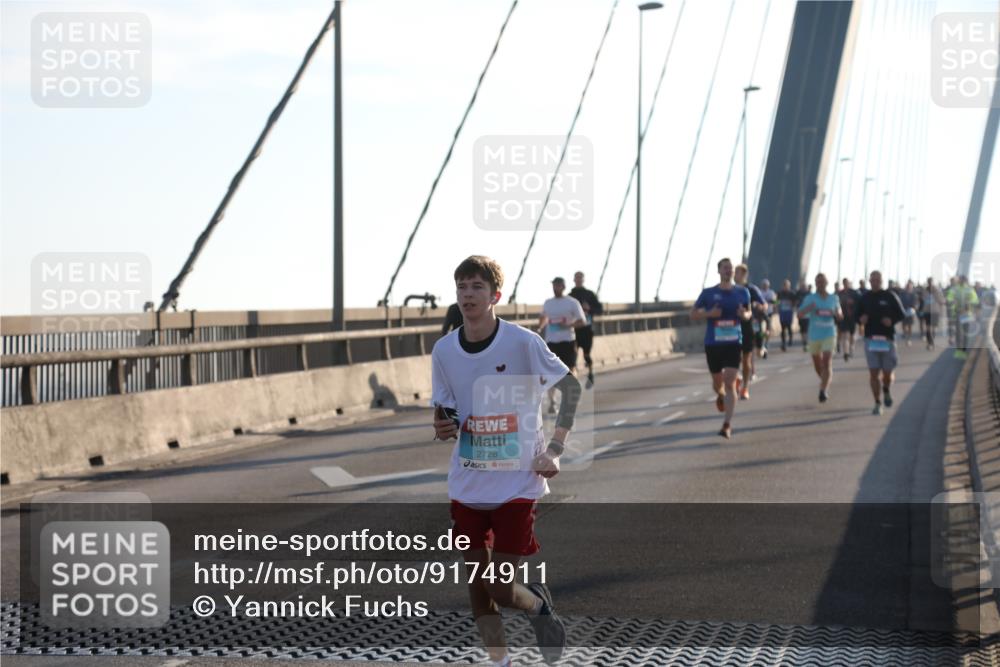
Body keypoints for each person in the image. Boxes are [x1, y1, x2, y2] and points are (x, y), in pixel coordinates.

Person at [432, 256, 580, 667]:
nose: (467, 294)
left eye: (477, 286)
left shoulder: (522, 343)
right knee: (479, 584)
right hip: (468, 482)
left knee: (499, 586)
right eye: (461, 286)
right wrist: (442, 425)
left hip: (517, 482)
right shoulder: (444, 350)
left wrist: (554, 449)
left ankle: (537, 608)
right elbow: (445, 409)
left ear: (495, 295)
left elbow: (571, 388)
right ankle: (500, 662)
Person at [692, 258, 752, 439]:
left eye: (731, 269)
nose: (728, 271)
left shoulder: (743, 293)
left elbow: (749, 314)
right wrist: (710, 314)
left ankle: (727, 424)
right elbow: (693, 314)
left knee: (730, 381)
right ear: (718, 271)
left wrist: (744, 315)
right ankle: (720, 395)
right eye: (725, 268)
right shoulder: (708, 293)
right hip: (713, 344)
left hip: (734, 342)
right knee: (718, 383)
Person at [857, 270, 905, 415]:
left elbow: (901, 314)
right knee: (873, 373)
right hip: (871, 339)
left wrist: (892, 321)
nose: (875, 282)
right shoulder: (864, 298)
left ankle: (887, 389)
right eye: (872, 280)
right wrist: (861, 319)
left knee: (887, 373)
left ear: (881, 281)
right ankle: (877, 402)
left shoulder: (890, 296)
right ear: (869, 281)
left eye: (877, 280)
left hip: (887, 339)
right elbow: (856, 316)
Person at [538, 277, 587, 413]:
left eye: (558, 285)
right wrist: (540, 327)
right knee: (550, 373)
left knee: (570, 370)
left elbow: (582, 321)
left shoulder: (572, 302)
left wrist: (568, 325)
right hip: (551, 342)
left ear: (563, 287)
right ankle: (552, 402)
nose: (555, 288)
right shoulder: (548, 303)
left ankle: (570, 396)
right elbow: (543, 317)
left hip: (568, 341)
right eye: (554, 285)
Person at [798, 273, 843, 402]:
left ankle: (823, 390)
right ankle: (824, 380)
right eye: (818, 282)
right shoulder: (810, 298)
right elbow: (799, 314)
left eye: (822, 282)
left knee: (827, 361)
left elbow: (840, 314)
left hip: (829, 333)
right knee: (818, 365)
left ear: (826, 283)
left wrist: (837, 313)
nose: (820, 284)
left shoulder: (834, 298)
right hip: (814, 335)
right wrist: (809, 308)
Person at [734, 264, 765, 399]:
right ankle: (737, 378)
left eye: (738, 273)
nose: (735, 275)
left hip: (747, 326)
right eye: (735, 273)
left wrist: (758, 306)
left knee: (746, 360)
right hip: (731, 328)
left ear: (744, 275)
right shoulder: (729, 289)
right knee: (732, 359)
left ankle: (745, 388)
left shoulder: (751, 289)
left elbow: (765, 304)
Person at [569, 271, 603, 389]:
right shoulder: (570, 295)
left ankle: (590, 373)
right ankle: (574, 379)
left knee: (586, 355)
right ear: (574, 279)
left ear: (583, 279)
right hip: (574, 330)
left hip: (587, 330)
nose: (578, 280)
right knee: (573, 355)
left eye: (580, 278)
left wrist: (589, 308)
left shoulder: (589, 294)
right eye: (576, 278)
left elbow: (600, 309)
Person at [947, 275, 980, 358]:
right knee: (959, 333)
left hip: (967, 314)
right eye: (961, 280)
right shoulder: (955, 289)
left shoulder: (970, 289)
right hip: (958, 313)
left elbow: (975, 300)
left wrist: (969, 303)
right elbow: (949, 298)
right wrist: (952, 301)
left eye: (963, 280)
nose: (962, 281)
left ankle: (964, 350)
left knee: (965, 333)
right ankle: (959, 351)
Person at [836, 278, 860, 361]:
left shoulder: (855, 293)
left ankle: (851, 348)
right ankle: (846, 353)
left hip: (853, 317)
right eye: (844, 283)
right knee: (845, 335)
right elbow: (836, 304)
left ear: (849, 283)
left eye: (847, 283)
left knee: (852, 335)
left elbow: (859, 304)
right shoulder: (840, 293)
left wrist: (853, 304)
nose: (845, 284)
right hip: (844, 317)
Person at [776, 279, 797, 351]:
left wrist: (792, 305)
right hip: (782, 312)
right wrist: (776, 306)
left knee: (789, 327)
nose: (785, 287)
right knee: (783, 328)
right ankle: (783, 342)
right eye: (784, 285)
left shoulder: (792, 293)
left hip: (789, 312)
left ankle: (790, 340)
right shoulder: (779, 293)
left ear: (789, 286)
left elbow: (795, 302)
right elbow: (777, 301)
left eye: (787, 285)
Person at [758, 279, 777, 358]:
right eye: (764, 284)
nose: (765, 286)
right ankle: (761, 343)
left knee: (767, 330)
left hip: (769, 313)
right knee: (760, 330)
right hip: (761, 313)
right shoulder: (759, 292)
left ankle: (766, 344)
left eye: (766, 285)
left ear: (768, 285)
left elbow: (776, 302)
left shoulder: (771, 292)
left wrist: (772, 301)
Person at [795, 279, 812, 352]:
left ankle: (806, 343)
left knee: (807, 329)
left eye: (804, 286)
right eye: (802, 286)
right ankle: (804, 342)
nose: (803, 287)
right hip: (800, 314)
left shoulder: (809, 293)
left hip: (808, 315)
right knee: (802, 330)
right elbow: (795, 302)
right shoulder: (798, 293)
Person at [899, 280, 918, 345]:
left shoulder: (914, 294)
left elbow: (916, 303)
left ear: (911, 287)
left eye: (910, 286)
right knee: (904, 325)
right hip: (904, 311)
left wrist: (915, 307)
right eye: (907, 286)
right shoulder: (902, 293)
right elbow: (899, 301)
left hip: (911, 311)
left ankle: (909, 338)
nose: (908, 287)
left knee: (910, 325)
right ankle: (905, 334)